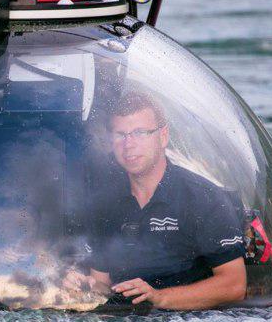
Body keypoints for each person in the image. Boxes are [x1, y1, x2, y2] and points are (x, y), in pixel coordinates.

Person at [69, 91, 247, 310]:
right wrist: (84, 286)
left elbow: (235, 286)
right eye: (120, 134)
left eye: (140, 133)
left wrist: (158, 297)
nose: (129, 144)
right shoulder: (103, 204)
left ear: (163, 136)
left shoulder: (204, 198)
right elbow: (101, 284)